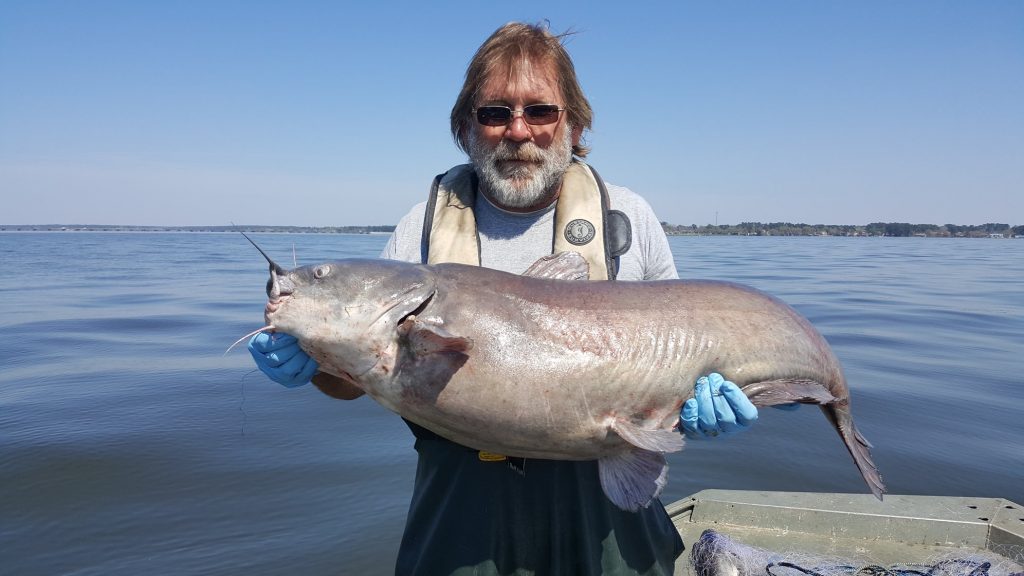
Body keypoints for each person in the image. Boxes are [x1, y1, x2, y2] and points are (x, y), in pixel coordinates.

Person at [250, 22, 761, 576]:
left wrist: (698, 409)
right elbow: (354, 382)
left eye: (540, 111)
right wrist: (315, 362)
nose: (518, 131)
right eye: (495, 113)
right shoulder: (418, 231)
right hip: (461, 513)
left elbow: (674, 356)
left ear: (574, 122)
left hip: (606, 514)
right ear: (466, 128)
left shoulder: (627, 220)